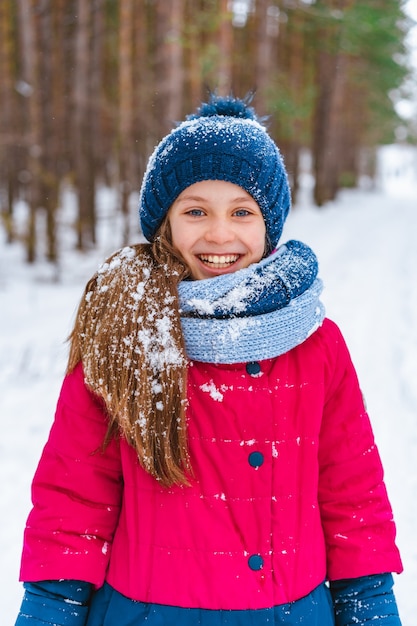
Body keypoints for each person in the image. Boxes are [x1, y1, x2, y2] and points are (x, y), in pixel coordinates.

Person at [15, 94, 403, 626]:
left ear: (269, 224)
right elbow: (73, 502)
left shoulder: (316, 343)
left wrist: (371, 609)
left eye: (241, 212)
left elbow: (352, 497)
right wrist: (49, 610)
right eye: (196, 211)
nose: (220, 235)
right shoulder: (123, 334)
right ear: (165, 223)